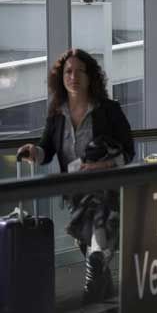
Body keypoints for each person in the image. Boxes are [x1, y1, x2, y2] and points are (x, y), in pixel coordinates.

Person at [17, 48, 134, 304]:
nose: (73, 76)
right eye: (68, 72)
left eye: (80, 71)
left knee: (96, 245)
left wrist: (101, 167)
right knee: (91, 246)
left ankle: (92, 292)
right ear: (61, 78)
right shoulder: (57, 114)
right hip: (74, 192)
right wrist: (33, 151)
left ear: (90, 76)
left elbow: (129, 151)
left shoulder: (108, 110)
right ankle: (106, 292)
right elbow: (46, 150)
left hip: (105, 187)